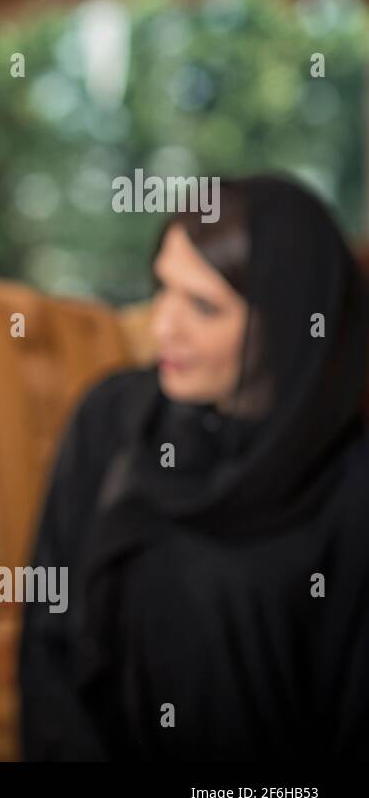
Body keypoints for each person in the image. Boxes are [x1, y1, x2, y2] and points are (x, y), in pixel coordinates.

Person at [19, 174, 369, 760]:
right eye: (163, 288)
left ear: (285, 326)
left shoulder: (348, 486)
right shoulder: (110, 421)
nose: (162, 328)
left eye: (203, 307)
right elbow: (47, 646)